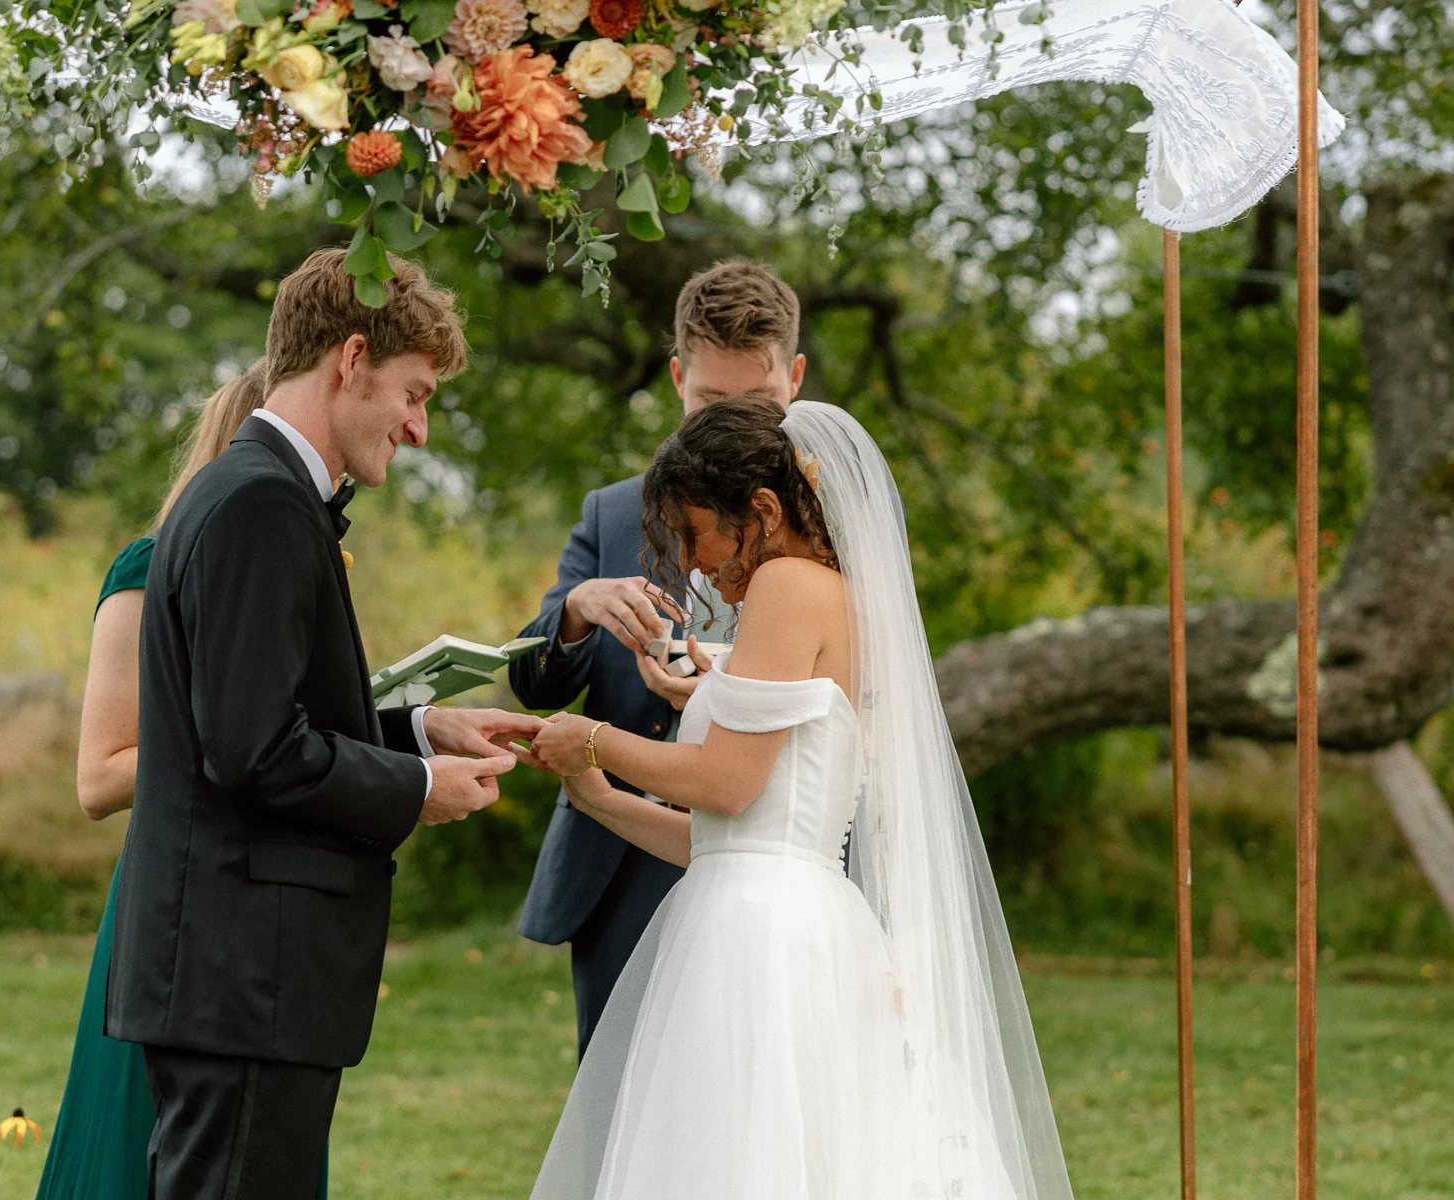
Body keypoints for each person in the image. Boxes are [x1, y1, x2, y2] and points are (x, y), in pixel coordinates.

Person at [527, 398, 1075, 1200]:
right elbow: (718, 836)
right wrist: (595, 793)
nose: (694, 563)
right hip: (766, 908)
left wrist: (594, 738)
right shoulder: (832, 595)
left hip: (762, 938)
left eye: (696, 533)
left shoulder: (789, 584)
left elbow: (725, 781)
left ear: (764, 510)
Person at [105, 247, 545, 1200]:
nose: (419, 427)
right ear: (351, 359)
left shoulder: (252, 489)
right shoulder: (261, 502)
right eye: (414, 393)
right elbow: (253, 752)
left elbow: (255, 717)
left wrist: (421, 734)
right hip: (245, 973)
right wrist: (418, 789)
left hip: (239, 977)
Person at [508, 260, 808, 1055]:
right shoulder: (613, 513)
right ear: (677, 379)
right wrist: (577, 611)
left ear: (796, 379)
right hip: (623, 868)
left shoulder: (837, 518)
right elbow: (531, 680)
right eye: (711, 402)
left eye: (759, 403)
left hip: (779, 866)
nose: (733, 427)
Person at [36, 360, 281, 1200]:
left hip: (264, 917)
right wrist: (244, 743)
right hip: (173, 907)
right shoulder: (146, 571)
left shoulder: (290, 572)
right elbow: (99, 775)